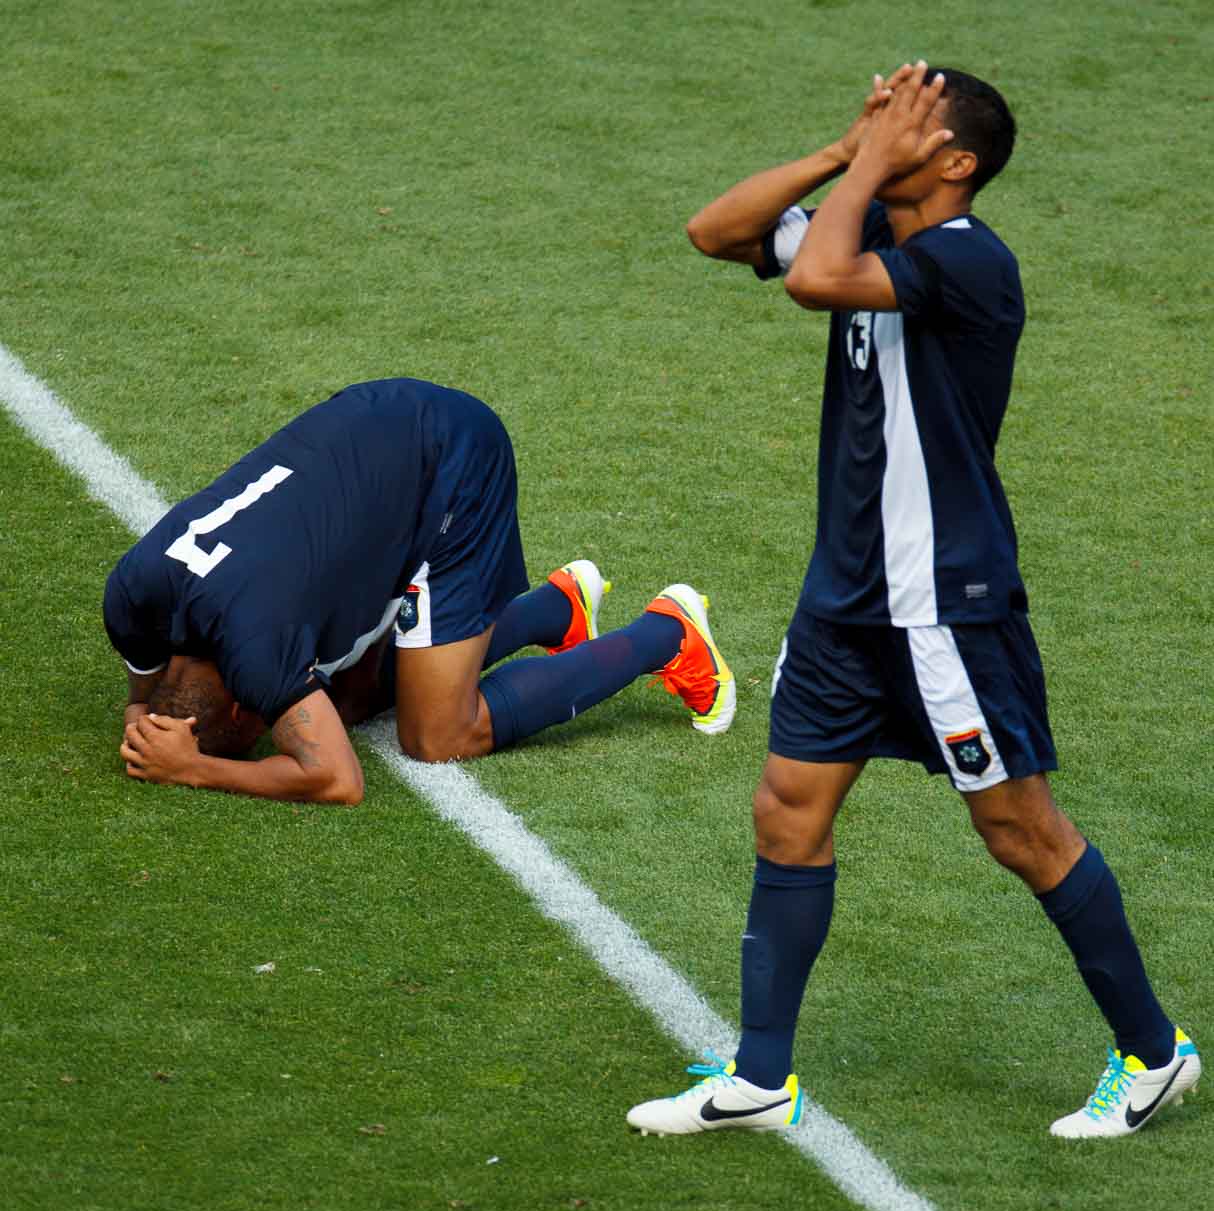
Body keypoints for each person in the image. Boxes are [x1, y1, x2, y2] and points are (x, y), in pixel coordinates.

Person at [627, 64, 1199, 1140]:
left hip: (944, 605)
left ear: (956, 164)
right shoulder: (877, 236)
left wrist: (862, 172)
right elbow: (713, 231)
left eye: (909, 125)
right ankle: (759, 1076)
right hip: (844, 604)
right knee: (785, 812)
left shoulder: (965, 261)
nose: (885, 128)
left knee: (1019, 830)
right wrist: (845, 153)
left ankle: (1153, 1053)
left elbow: (811, 280)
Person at [107, 378, 735, 805]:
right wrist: (144, 717)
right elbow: (146, 691)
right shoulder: (134, 595)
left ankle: (667, 633)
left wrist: (196, 769)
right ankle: (556, 609)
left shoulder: (258, 652)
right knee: (345, 704)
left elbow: (337, 780)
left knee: (437, 736)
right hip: (370, 428)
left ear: (246, 706)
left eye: (259, 726)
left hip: (451, 463)